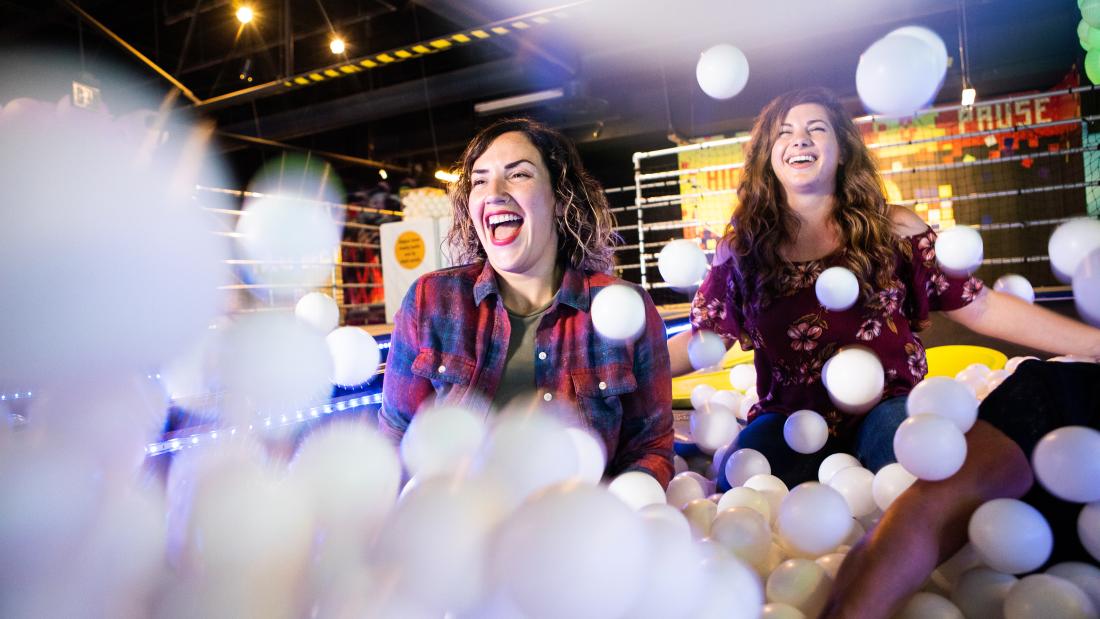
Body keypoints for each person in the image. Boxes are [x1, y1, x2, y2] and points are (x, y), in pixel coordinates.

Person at [667, 86, 1100, 492]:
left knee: (917, 485)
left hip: (885, 404)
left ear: (841, 153)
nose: (800, 140)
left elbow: (978, 306)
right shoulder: (743, 250)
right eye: (785, 133)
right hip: (791, 417)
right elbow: (706, 340)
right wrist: (625, 372)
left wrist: (1094, 342)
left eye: (816, 130)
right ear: (768, 156)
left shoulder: (894, 229)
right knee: (736, 486)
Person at [379, 117, 674, 486]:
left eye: (518, 175)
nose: (494, 192)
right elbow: (395, 434)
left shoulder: (625, 308)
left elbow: (651, 448)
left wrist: (618, 511)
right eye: (480, 180)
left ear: (560, 199)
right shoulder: (432, 301)